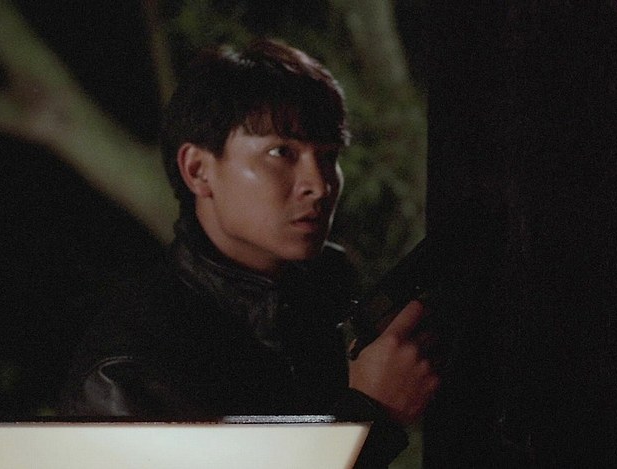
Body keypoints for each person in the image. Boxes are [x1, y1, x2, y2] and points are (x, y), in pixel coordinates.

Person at [59, 38, 439, 467]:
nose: (319, 185)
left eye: (328, 155)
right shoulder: (129, 369)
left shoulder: (321, 300)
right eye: (282, 153)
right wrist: (372, 417)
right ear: (198, 171)